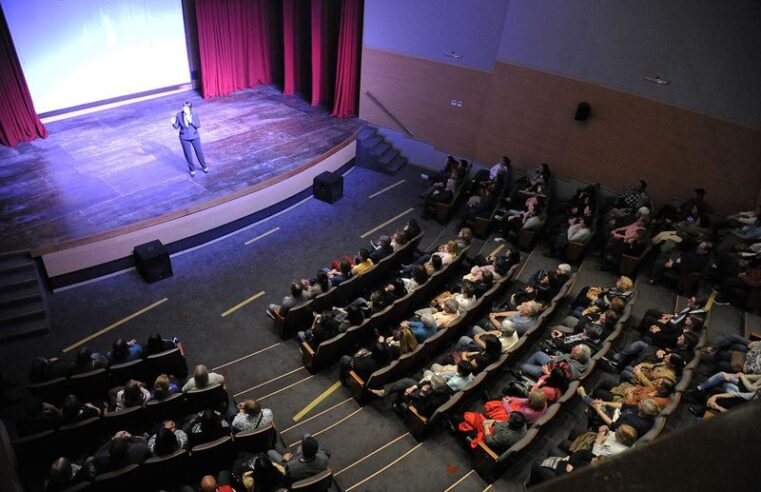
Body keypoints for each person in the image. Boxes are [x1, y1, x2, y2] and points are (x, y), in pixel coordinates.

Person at [171, 101, 208, 176]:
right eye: (183, 107)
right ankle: (192, 169)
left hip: (194, 136)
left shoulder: (195, 114)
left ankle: (204, 166)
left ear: (190, 108)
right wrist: (173, 123)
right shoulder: (179, 115)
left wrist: (191, 121)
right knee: (188, 154)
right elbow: (177, 126)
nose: (184, 109)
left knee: (199, 151)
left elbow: (198, 125)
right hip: (184, 137)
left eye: (186, 107)